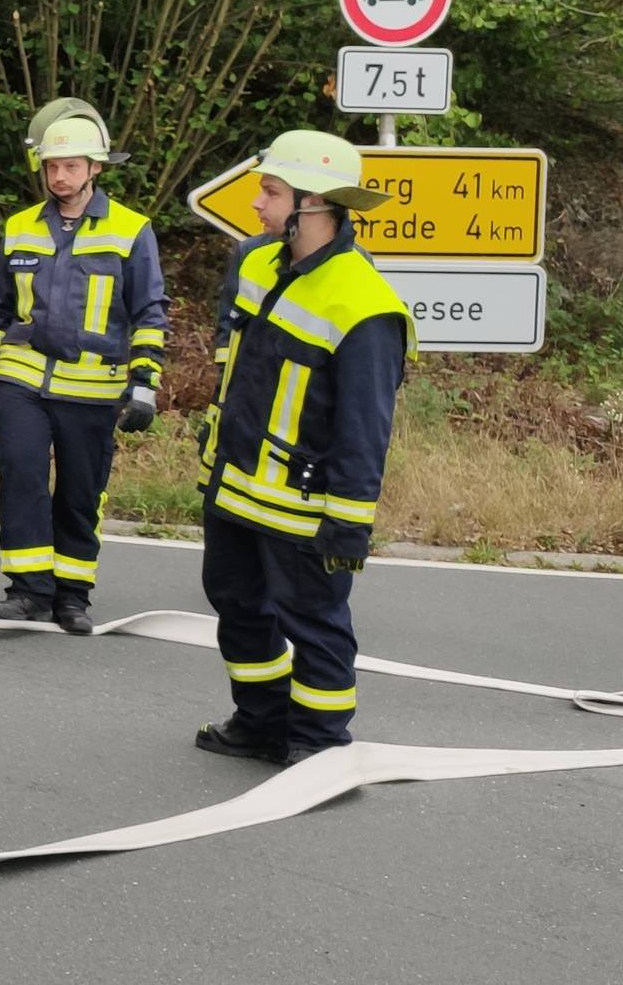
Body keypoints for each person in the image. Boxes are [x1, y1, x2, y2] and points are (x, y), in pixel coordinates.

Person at [192, 130, 414, 766]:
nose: (256, 203)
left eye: (270, 191)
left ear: (314, 205)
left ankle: (319, 744)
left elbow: (365, 427)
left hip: (303, 504)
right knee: (235, 605)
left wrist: (348, 524)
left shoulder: (367, 306)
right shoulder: (257, 264)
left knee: (313, 625)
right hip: (235, 485)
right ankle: (260, 722)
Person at [0, 98, 168, 633]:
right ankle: (28, 589)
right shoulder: (19, 228)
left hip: (93, 388)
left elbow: (150, 312)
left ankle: (72, 596)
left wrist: (145, 384)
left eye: (71, 166)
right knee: (22, 475)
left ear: (96, 168)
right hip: (23, 379)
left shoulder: (131, 230)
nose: (59, 177)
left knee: (82, 492)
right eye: (52, 167)